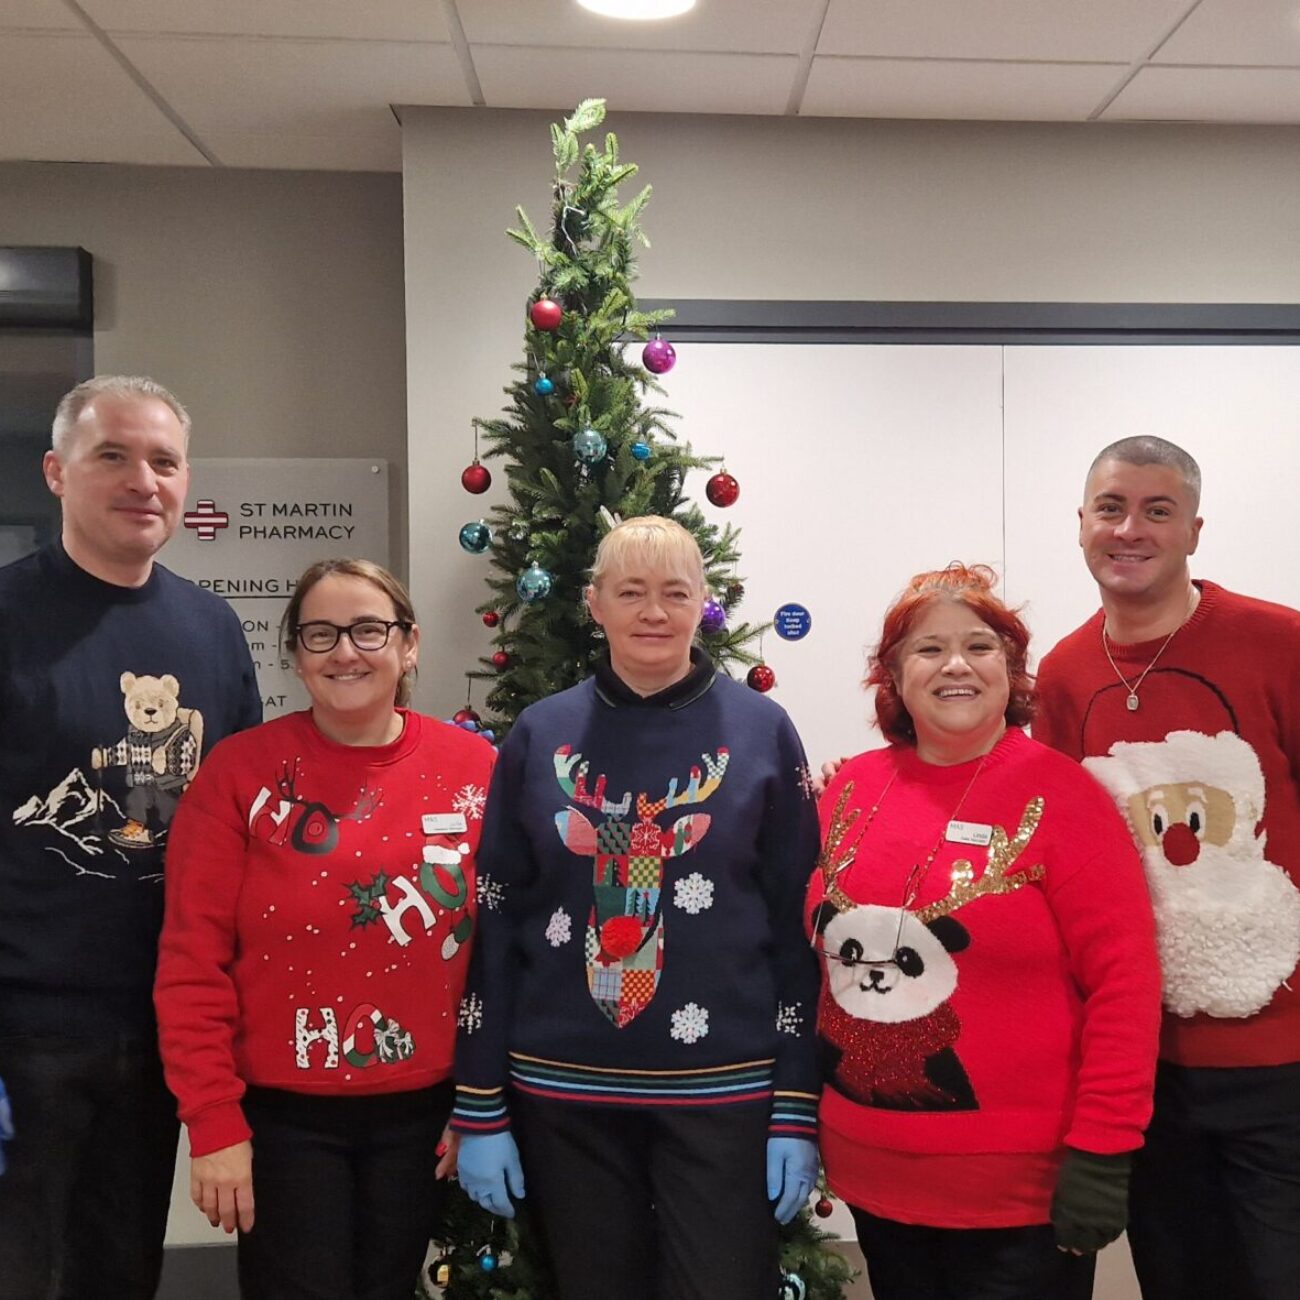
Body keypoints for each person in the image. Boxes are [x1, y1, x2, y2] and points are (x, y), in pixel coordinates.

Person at [451, 516, 821, 1300]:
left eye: (674, 593)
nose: (653, 612)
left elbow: (798, 925)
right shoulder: (539, 735)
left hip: (723, 1092)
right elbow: (498, 918)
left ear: (703, 604)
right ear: (595, 604)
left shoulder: (762, 732)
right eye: (631, 592)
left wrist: (794, 1104)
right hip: (565, 1093)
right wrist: (480, 1105)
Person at [810, 563, 1161, 1300]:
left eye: (980, 646)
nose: (956, 665)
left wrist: (1106, 1148)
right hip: (873, 1175)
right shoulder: (851, 788)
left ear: (1011, 669)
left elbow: (1125, 985)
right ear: (895, 675)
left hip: (1018, 1199)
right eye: (928, 649)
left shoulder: (1065, 797)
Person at [153, 558, 494, 1300]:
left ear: (409, 645)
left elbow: (507, 954)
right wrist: (213, 1122)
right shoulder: (237, 773)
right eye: (321, 634)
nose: (346, 651)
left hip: (427, 1115)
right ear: (297, 656)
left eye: (369, 629)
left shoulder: (476, 768)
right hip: (281, 1123)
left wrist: (484, 1101)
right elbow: (190, 961)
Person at [0, 375, 261, 1298]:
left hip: (162, 1024)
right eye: (113, 454)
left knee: (122, 1272)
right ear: (56, 472)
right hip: (27, 1030)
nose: (142, 479)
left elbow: (241, 832)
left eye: (163, 460)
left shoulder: (212, 628)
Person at [1034, 436, 1300, 1300]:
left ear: (1193, 528)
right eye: (1111, 508)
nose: (1130, 530)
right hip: (1148, 1061)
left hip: (1281, 1055)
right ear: (1081, 524)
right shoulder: (1066, 674)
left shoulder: (1277, 642)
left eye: (1157, 511)